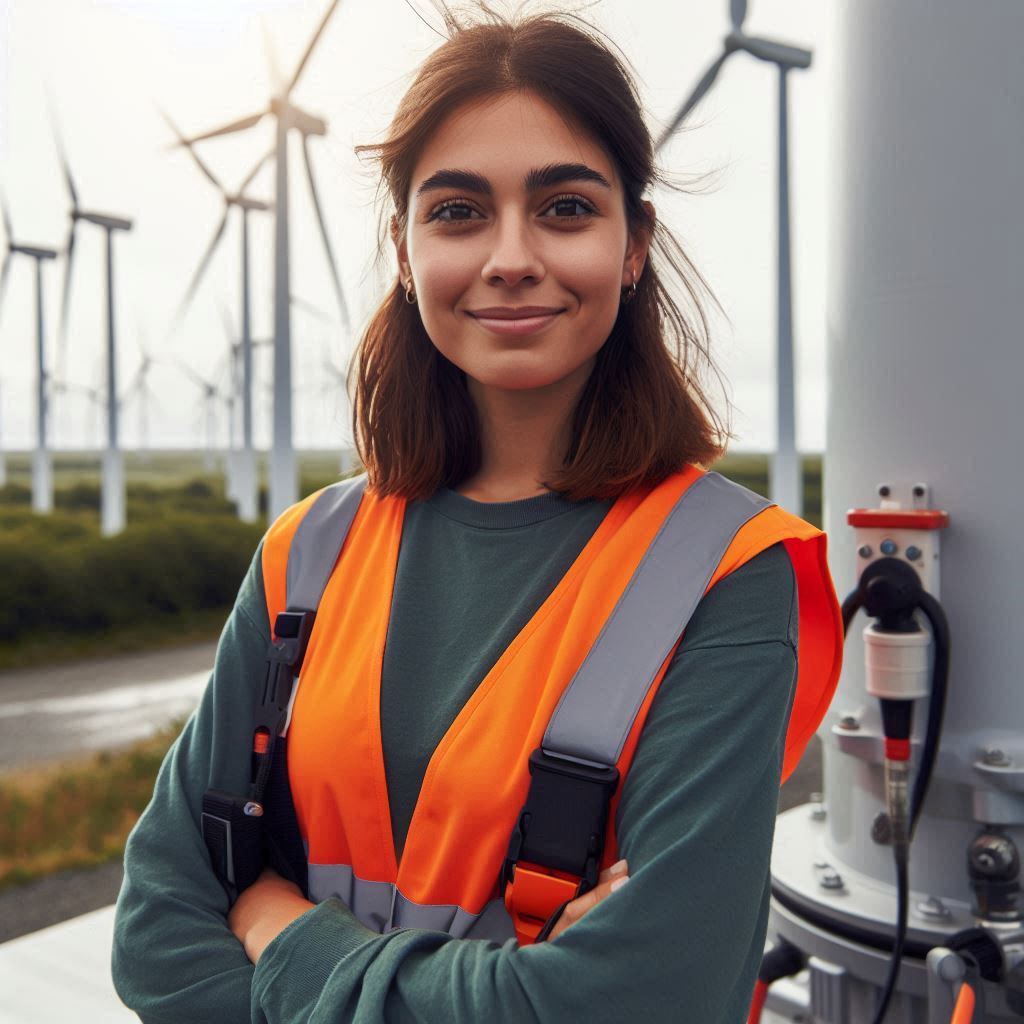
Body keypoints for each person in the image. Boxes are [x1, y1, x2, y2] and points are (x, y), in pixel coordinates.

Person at [111, 6, 842, 1022]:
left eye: (564, 209)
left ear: (634, 247)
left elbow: (638, 1002)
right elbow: (152, 933)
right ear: (405, 255)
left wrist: (277, 922)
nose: (509, 256)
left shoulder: (724, 569)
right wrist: (506, 987)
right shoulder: (308, 552)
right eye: (457, 211)